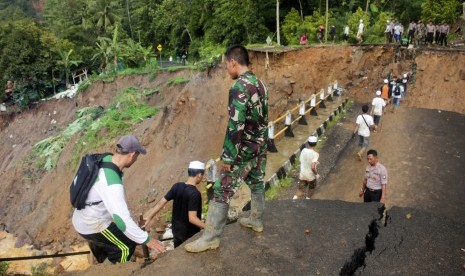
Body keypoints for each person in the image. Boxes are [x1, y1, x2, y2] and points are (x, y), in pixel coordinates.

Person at [184, 45, 268, 253]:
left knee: (221, 190)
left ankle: (211, 238)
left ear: (233, 62)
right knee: (256, 181)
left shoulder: (239, 87)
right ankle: (256, 220)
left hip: (243, 150)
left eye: (226, 66)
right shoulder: (260, 83)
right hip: (259, 145)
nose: (226, 70)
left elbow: (235, 125)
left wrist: (228, 158)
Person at [72, 135, 165, 264]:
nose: (136, 159)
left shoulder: (104, 159)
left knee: (117, 241)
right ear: (132, 155)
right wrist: (147, 240)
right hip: (91, 224)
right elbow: (122, 221)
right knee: (125, 247)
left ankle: (103, 264)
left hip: (83, 216)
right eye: (137, 156)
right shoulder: (112, 183)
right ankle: (113, 271)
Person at [144, 161, 206, 248]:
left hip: (176, 231)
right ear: (199, 174)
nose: (203, 177)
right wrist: (207, 227)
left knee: (178, 253)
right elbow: (192, 218)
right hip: (189, 234)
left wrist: (149, 217)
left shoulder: (177, 186)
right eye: (203, 175)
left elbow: (161, 203)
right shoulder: (195, 193)